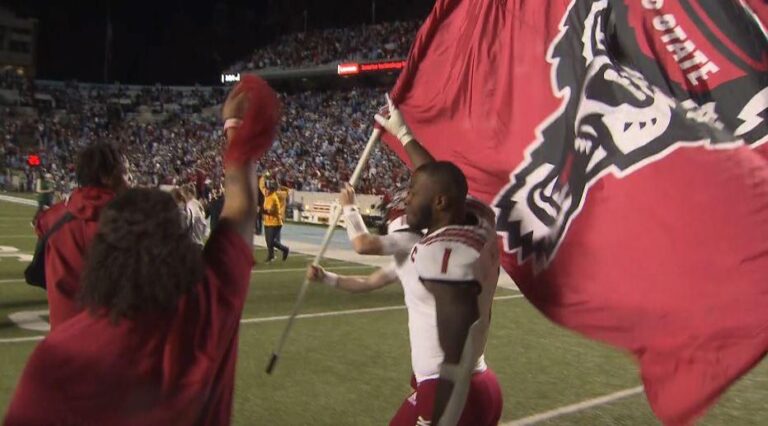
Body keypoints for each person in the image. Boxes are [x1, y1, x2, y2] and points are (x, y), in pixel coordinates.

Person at [5, 75, 279, 426]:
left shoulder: (55, 360)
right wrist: (236, 126)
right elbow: (241, 206)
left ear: (103, 258)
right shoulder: (205, 309)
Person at [373, 94, 503, 425]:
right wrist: (403, 134)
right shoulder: (479, 217)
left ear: (440, 201)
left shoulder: (439, 253)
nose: (408, 196)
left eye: (414, 192)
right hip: (482, 382)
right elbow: (440, 178)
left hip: (452, 393)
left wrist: (433, 415)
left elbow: (454, 340)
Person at [33, 144, 129, 330]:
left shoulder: (54, 216)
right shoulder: (126, 220)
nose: (129, 179)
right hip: (108, 338)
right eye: (124, 172)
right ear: (106, 177)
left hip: (63, 338)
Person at [263, 180, 289, 262]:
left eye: (267, 189)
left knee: (271, 241)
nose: (265, 190)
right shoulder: (267, 196)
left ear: (272, 189)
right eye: (265, 188)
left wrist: (260, 210)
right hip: (268, 221)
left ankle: (285, 249)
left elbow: (269, 211)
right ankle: (270, 256)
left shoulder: (274, 198)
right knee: (268, 241)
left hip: (275, 222)